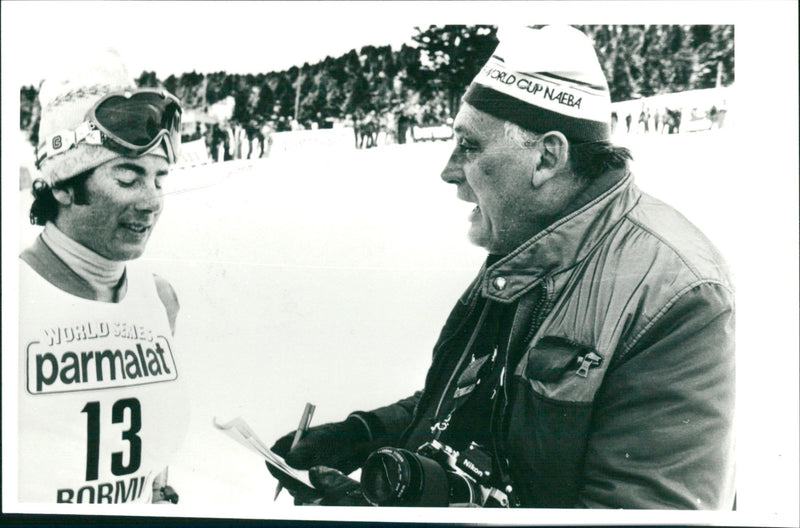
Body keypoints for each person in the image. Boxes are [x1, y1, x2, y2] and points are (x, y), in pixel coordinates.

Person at [269, 25, 735, 509]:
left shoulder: (676, 293)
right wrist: (364, 434)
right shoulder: (525, 243)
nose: (448, 170)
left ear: (547, 158)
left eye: (468, 146)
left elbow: (640, 520)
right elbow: (472, 399)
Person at [18, 48, 189, 504]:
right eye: (128, 178)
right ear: (62, 185)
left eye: (159, 179)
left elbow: (151, 470)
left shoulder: (159, 300)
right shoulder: (10, 299)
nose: (151, 201)